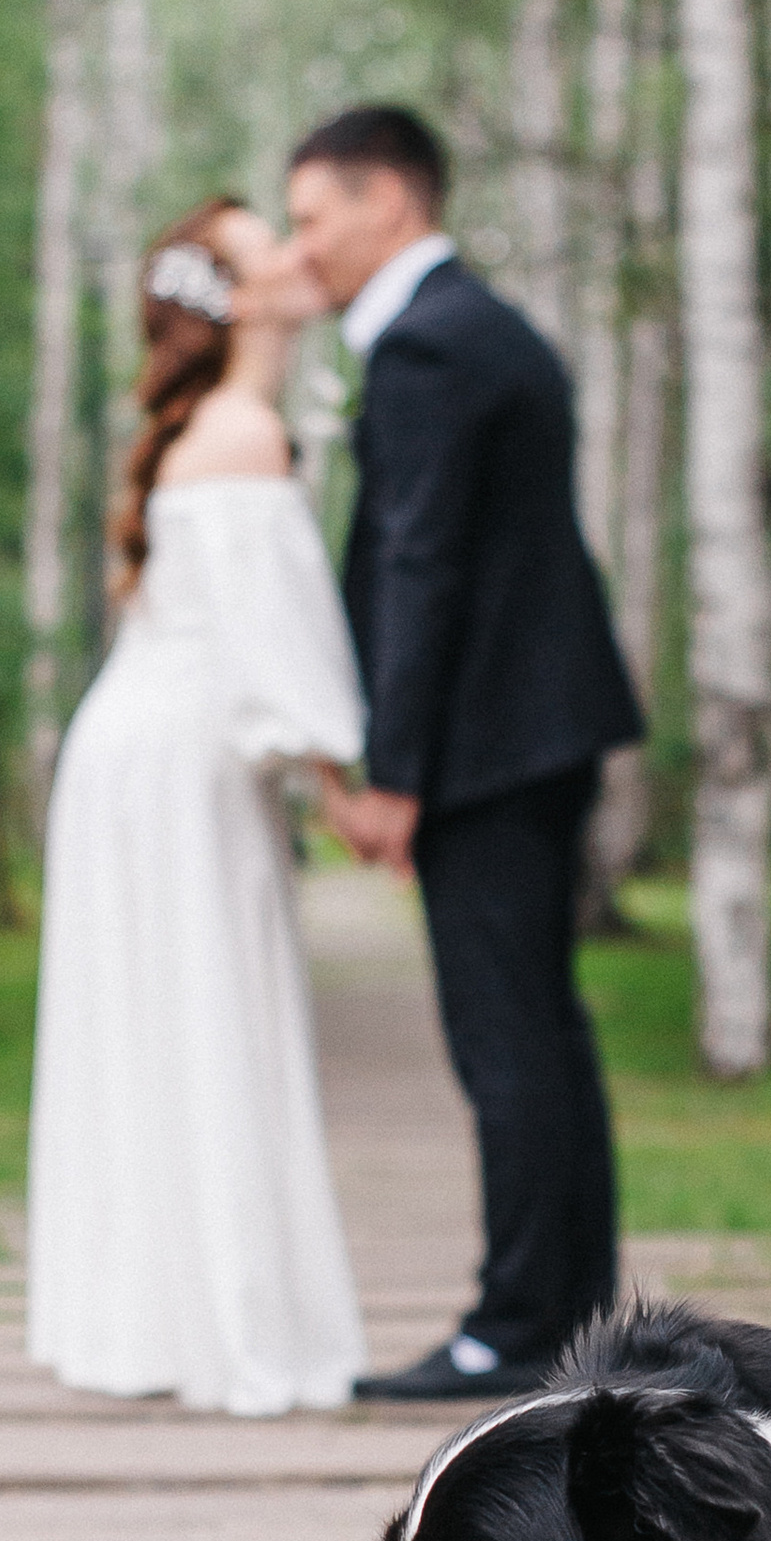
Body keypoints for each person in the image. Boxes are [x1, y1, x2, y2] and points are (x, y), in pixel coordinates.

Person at [287, 104, 646, 1407]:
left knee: (510, 1038)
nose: (302, 246)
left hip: (492, 742)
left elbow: (421, 567)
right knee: (542, 1030)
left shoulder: (431, 346)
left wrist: (392, 771)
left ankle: (518, 1325)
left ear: (389, 202)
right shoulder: (474, 328)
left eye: (314, 216)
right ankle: (570, 1320)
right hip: (529, 728)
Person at [26, 197, 369, 1416]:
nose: (293, 249)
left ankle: (155, 1318)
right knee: (206, 1008)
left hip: (148, 752)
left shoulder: (227, 428)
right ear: (231, 298)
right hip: (179, 766)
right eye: (261, 241)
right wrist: (343, 777)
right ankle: (222, 1323)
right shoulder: (240, 436)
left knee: (163, 1019)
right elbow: (278, 642)